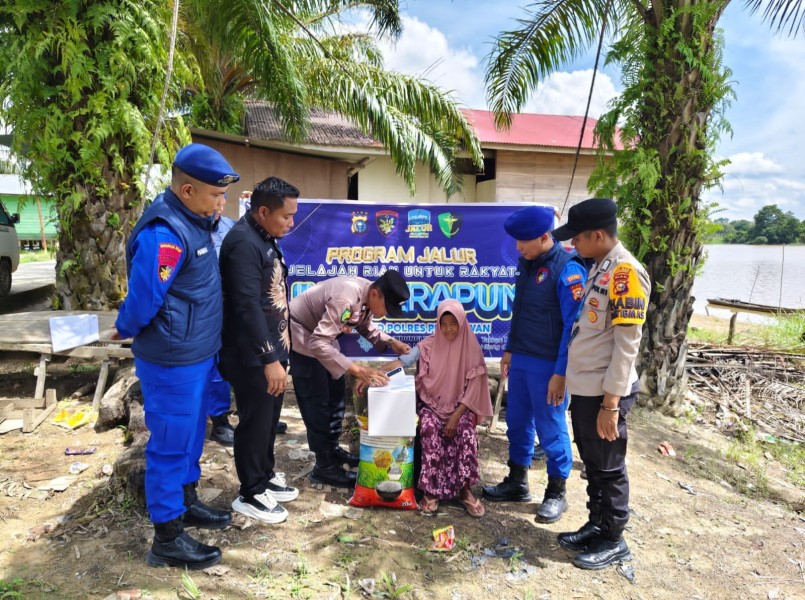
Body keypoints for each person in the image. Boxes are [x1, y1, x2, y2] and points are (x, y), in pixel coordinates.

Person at [113, 143, 239, 570]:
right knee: (169, 444)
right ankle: (166, 537)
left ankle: (186, 502)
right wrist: (124, 327)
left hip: (198, 354)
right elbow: (144, 299)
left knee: (189, 437)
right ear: (186, 191)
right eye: (215, 195)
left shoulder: (195, 218)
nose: (223, 204)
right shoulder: (164, 233)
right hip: (171, 362)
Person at [551, 197, 650, 570]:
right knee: (593, 463)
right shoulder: (598, 267)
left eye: (576, 239)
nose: (572, 245)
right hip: (588, 388)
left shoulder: (625, 273)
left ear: (597, 234)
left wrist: (611, 405)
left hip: (606, 392)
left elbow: (627, 345)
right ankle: (597, 523)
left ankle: (614, 538)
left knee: (609, 466)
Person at [482, 205, 587, 524]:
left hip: (550, 364)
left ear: (544, 237)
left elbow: (574, 327)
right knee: (516, 422)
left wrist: (561, 373)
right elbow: (521, 311)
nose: (517, 248)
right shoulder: (526, 264)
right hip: (524, 357)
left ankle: (556, 492)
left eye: (523, 242)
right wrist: (510, 348)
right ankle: (517, 482)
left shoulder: (568, 268)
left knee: (551, 427)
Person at [219, 176, 299, 524]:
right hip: (252, 356)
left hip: (272, 353)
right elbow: (246, 307)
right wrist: (269, 359)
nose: (291, 223)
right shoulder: (242, 243)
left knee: (269, 420)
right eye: (286, 217)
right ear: (263, 211)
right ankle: (250, 492)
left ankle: (264, 475)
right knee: (254, 421)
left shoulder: (264, 237)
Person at [289, 271, 412, 487]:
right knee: (317, 404)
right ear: (375, 294)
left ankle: (332, 450)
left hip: (324, 340)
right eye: (387, 307)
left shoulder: (366, 297)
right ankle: (324, 467)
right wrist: (359, 369)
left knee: (335, 398)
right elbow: (317, 343)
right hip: (303, 337)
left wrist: (392, 342)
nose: (385, 314)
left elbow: (364, 326)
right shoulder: (346, 297)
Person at [374, 299, 493, 517]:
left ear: (462, 323)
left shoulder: (471, 347)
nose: (448, 329)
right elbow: (403, 362)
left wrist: (456, 417)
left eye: (453, 323)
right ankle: (430, 491)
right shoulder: (428, 345)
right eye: (443, 323)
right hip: (432, 406)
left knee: (466, 433)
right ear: (437, 324)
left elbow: (475, 387)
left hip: (460, 407)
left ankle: (465, 491)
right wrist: (372, 374)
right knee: (428, 428)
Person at [206, 200, 237, 446]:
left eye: (223, 197)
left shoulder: (230, 226)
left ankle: (253, 416)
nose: (220, 203)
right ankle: (219, 422)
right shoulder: (191, 229)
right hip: (206, 311)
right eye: (215, 196)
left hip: (234, 307)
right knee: (217, 367)